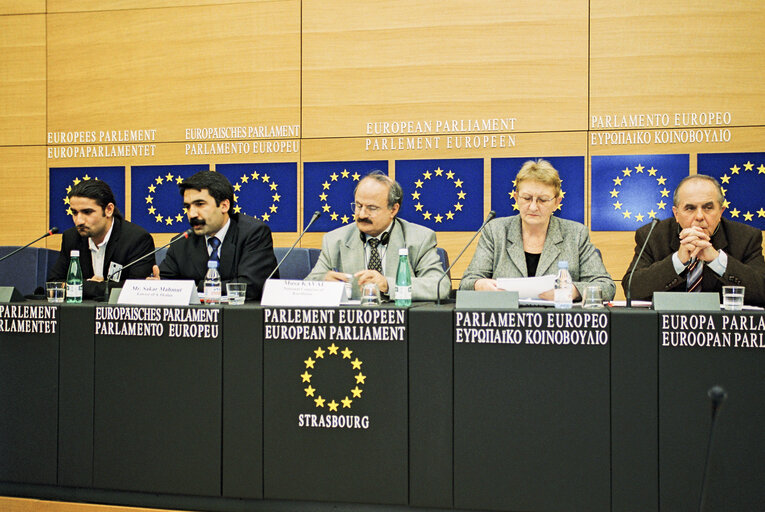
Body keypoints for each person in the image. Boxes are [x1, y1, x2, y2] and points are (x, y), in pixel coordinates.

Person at [460, 159, 615, 300]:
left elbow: (606, 287)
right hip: (505, 323)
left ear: (556, 202)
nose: (533, 206)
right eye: (527, 198)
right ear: (516, 198)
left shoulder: (575, 234)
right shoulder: (495, 231)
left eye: (542, 200)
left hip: (558, 324)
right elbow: (467, 283)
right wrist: (479, 285)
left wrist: (572, 290)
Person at [305, 171, 450, 300]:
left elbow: (440, 286)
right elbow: (308, 284)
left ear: (393, 210)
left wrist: (388, 285)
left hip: (402, 324)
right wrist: (323, 282)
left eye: (371, 208)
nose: (361, 214)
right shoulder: (335, 240)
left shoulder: (419, 239)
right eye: (358, 206)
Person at [622, 174, 765, 305]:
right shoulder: (652, 236)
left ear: (721, 212)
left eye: (708, 208)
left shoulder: (746, 238)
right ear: (676, 214)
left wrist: (716, 260)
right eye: (690, 208)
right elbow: (632, 289)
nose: (699, 216)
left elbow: (761, 291)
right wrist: (677, 261)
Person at [152, 170, 278, 301]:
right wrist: (156, 287)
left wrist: (196, 287)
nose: (192, 214)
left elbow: (249, 287)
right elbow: (166, 284)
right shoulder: (181, 242)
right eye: (187, 207)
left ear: (224, 206)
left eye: (200, 204)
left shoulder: (254, 233)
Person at [49, 179, 155, 300]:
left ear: (109, 210)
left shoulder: (136, 239)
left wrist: (86, 286)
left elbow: (138, 290)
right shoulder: (71, 237)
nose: (79, 221)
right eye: (74, 213)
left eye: (87, 212)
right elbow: (55, 285)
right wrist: (98, 286)